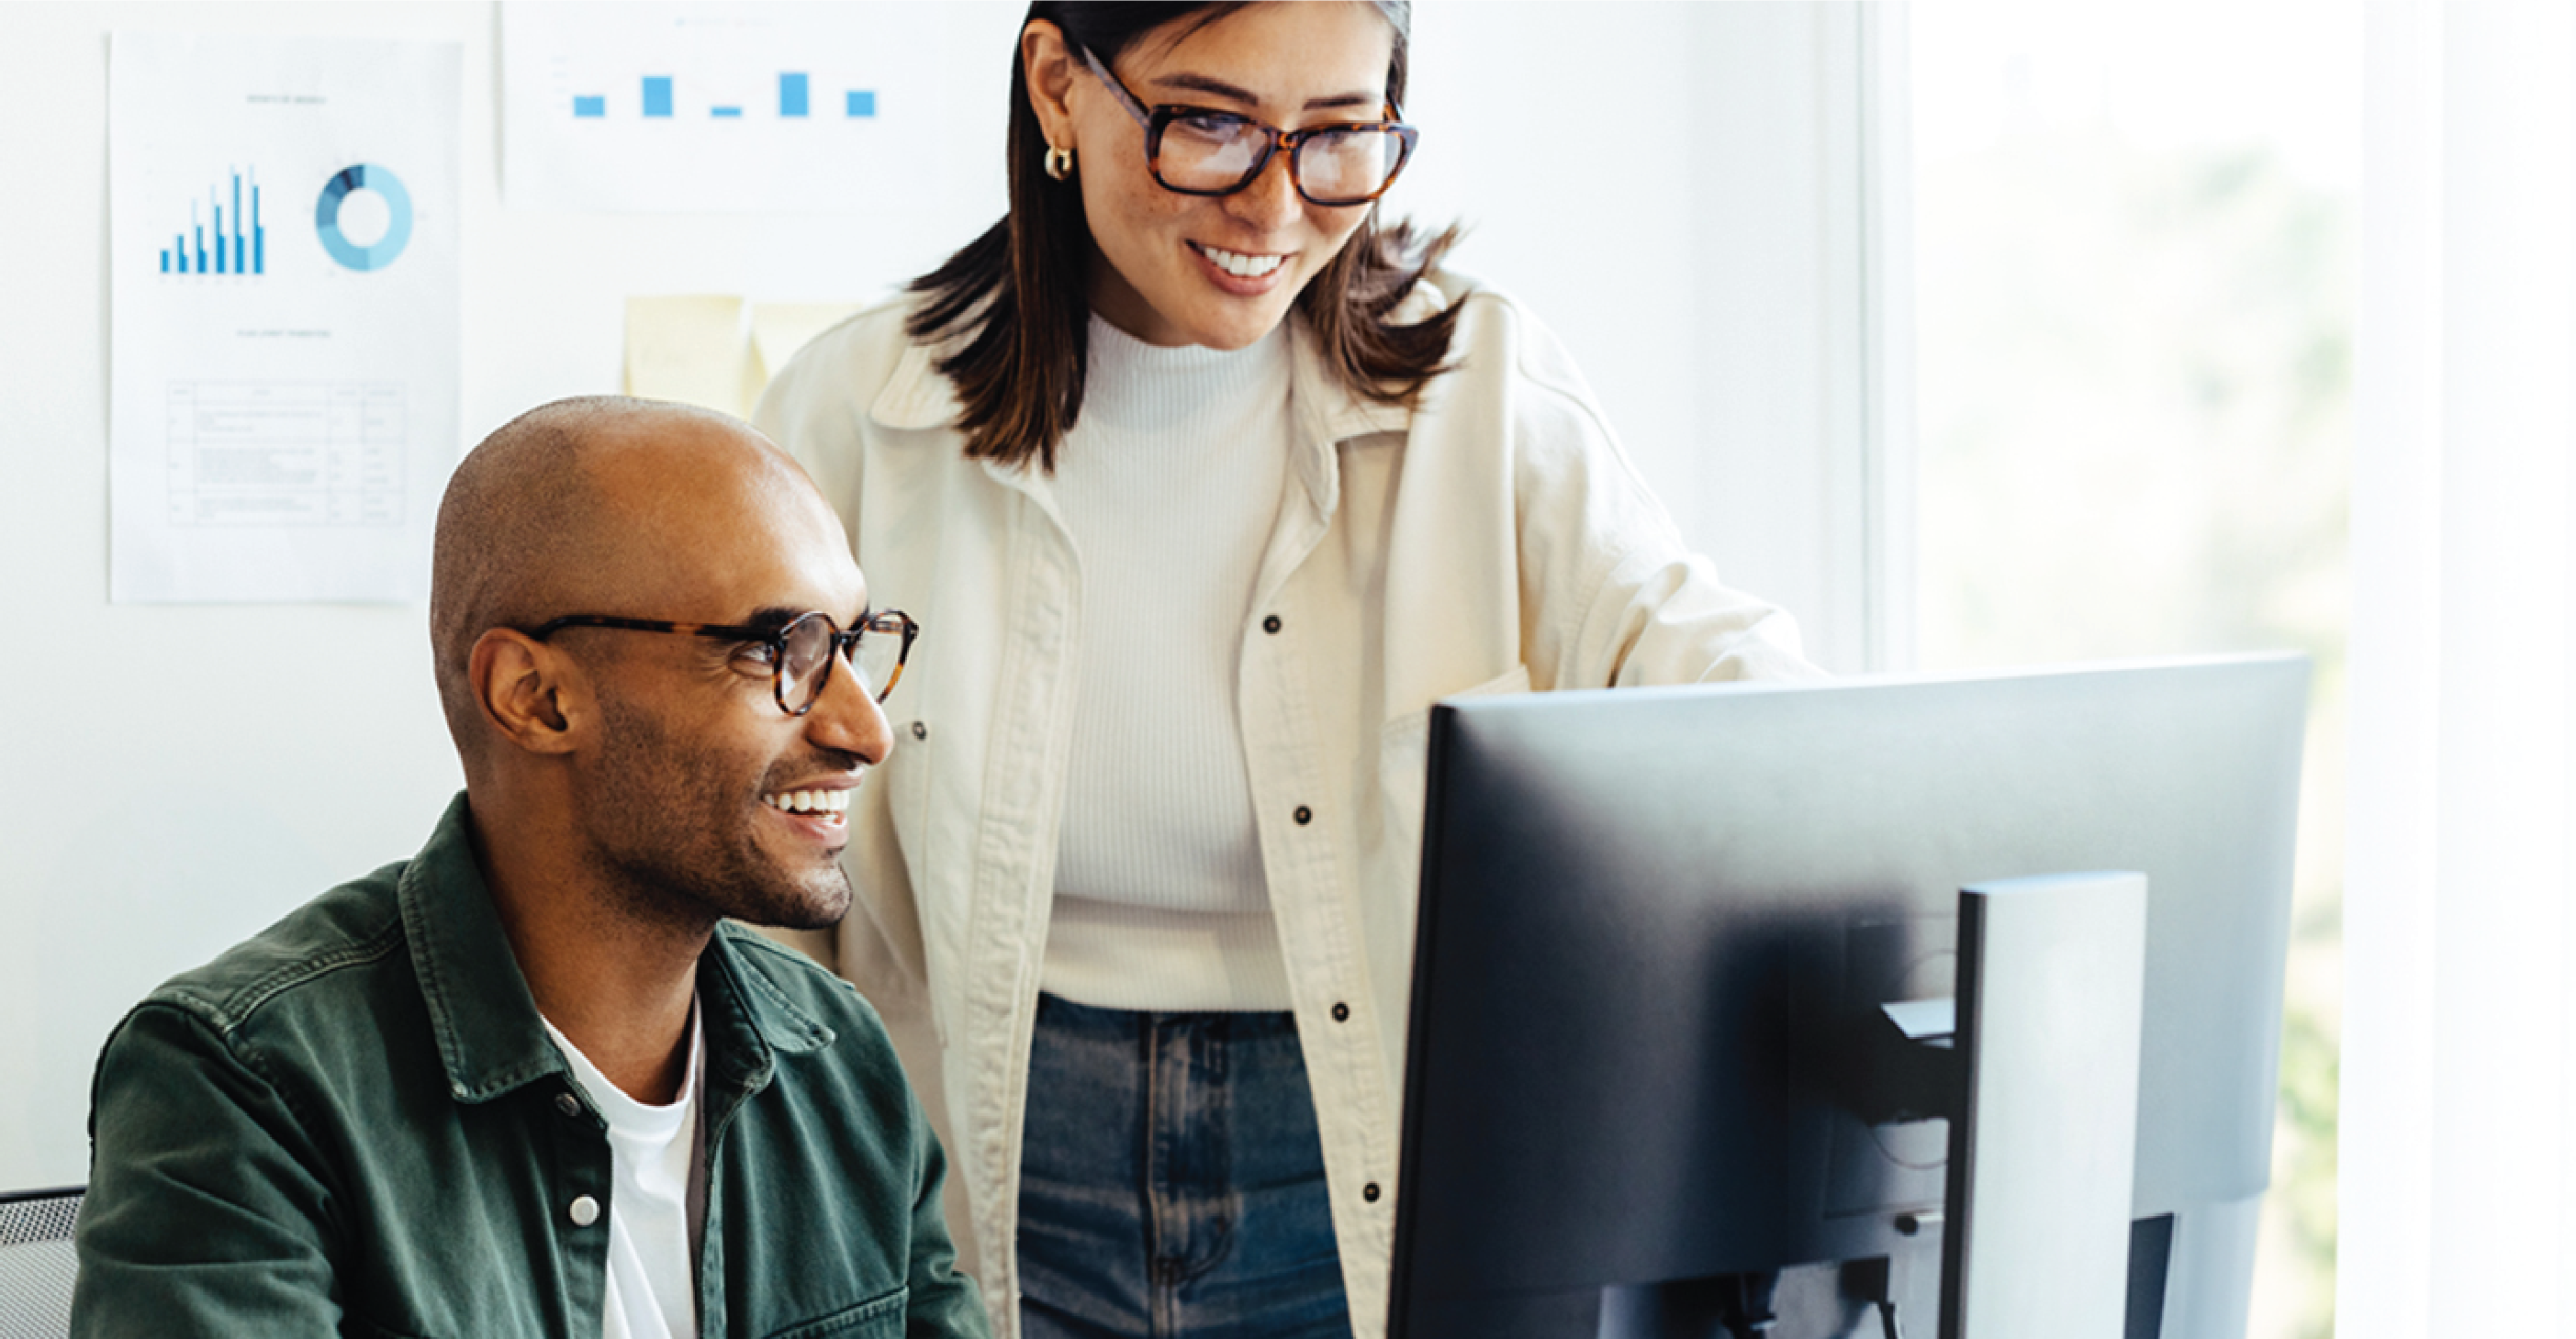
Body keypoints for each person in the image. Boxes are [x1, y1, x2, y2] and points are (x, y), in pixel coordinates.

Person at [747, 1, 1822, 1335]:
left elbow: (1723, 682)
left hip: (1352, 1141)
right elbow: (735, 834)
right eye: (1208, 123)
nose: (1273, 206)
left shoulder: (1480, 388)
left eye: (1337, 137)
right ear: (1056, 86)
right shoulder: (854, 412)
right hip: (978, 1144)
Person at [71, 396, 988, 1339]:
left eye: (849, 646)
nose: (864, 729)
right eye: (774, 651)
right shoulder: (246, 1085)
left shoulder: (838, 1056)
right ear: (535, 698)